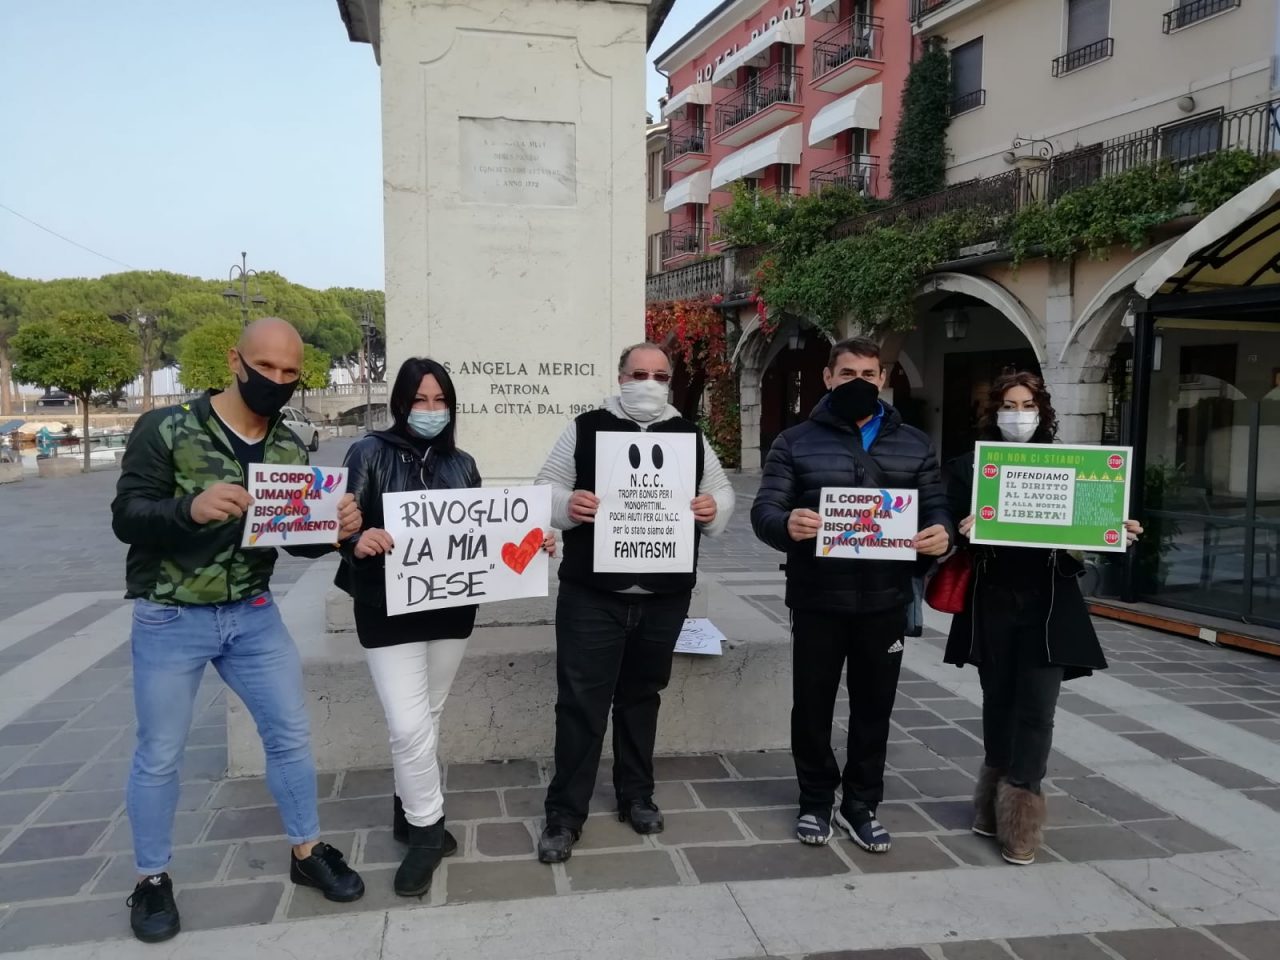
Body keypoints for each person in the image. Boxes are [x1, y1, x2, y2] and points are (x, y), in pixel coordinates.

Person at [111, 318, 365, 944]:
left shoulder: (287, 448)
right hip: (172, 614)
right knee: (160, 753)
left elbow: (294, 542)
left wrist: (332, 533)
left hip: (252, 614)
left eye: (289, 373)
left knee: (290, 736)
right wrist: (186, 509)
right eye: (266, 367)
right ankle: (150, 881)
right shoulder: (167, 429)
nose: (277, 381)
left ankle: (307, 853)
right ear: (235, 361)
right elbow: (127, 516)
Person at [334, 356, 554, 897]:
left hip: (451, 610)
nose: (430, 410)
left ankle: (406, 810)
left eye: (440, 401)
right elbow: (340, 521)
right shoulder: (367, 452)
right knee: (409, 727)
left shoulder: (464, 464)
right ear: (400, 403)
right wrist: (354, 541)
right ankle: (429, 832)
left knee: (425, 716)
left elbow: (487, 535)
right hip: (386, 608)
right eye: (419, 400)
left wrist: (537, 544)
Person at [533, 342, 735, 863]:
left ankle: (636, 794)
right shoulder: (584, 427)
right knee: (580, 704)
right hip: (592, 595)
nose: (649, 382)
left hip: (664, 596)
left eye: (659, 375)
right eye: (639, 373)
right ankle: (565, 814)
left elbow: (720, 495)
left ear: (670, 381)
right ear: (620, 376)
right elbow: (544, 490)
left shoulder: (689, 435)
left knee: (643, 697)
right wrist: (568, 506)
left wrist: (712, 508)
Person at [751, 337, 952, 852]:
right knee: (812, 705)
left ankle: (862, 804)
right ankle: (815, 799)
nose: (858, 383)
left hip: (885, 598)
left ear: (883, 379)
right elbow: (765, 510)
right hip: (818, 596)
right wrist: (786, 523)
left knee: (874, 708)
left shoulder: (914, 443)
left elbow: (936, 508)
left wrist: (940, 534)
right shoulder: (793, 442)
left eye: (868, 374)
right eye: (847, 374)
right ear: (827, 377)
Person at [944, 371, 1142, 866]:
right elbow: (941, 530)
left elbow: (1089, 533)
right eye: (1009, 404)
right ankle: (992, 798)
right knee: (998, 702)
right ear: (994, 413)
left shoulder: (1071, 466)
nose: (1018, 414)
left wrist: (1114, 531)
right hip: (992, 602)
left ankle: (1021, 815)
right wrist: (960, 529)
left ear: (1042, 410)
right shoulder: (969, 468)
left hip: (1050, 606)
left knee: (1037, 709)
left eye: (1027, 404)